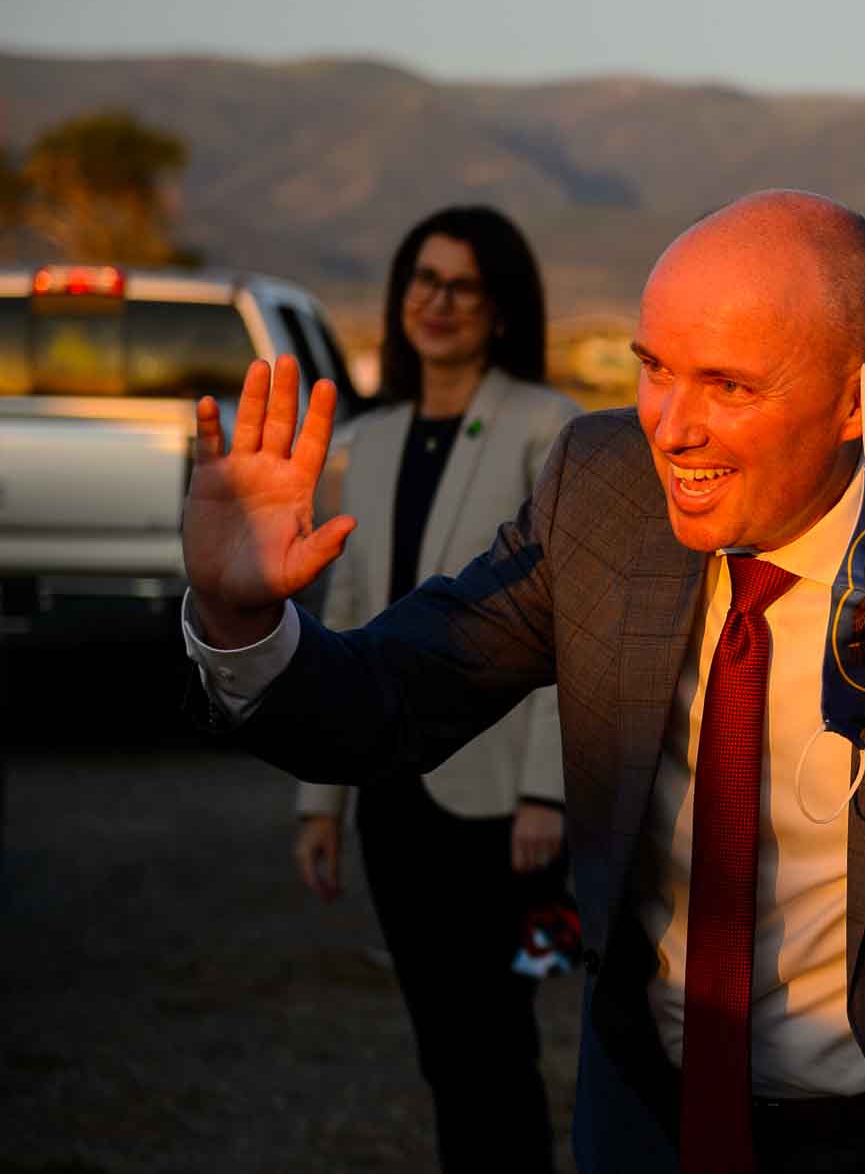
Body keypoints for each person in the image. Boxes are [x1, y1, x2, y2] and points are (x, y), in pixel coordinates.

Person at [177, 190, 865, 1174]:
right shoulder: (599, 489)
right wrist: (246, 618)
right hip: (643, 1121)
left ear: (859, 398)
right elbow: (394, 698)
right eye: (655, 368)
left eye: (728, 386)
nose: (671, 425)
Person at [290, 206, 582, 1171]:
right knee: (440, 1042)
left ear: (500, 309)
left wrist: (548, 788)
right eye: (424, 279)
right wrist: (321, 795)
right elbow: (349, 608)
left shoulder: (549, 428)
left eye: (462, 285)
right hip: (392, 792)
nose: (438, 302)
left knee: (495, 1038)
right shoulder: (367, 441)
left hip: (501, 800)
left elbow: (566, 617)